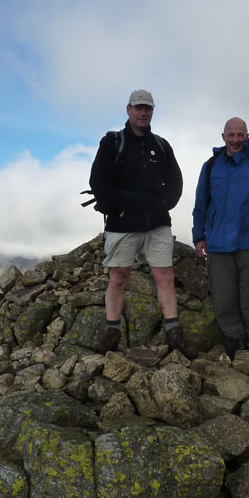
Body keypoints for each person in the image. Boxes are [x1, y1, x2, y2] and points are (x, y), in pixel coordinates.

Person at [89, 89, 195, 358]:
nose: (143, 113)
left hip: (156, 221)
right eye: (138, 108)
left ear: (152, 112)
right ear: (128, 109)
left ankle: (174, 334)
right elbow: (98, 181)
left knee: (165, 276)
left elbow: (175, 181)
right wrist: (117, 207)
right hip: (122, 222)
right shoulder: (113, 142)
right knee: (118, 276)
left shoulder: (161, 145)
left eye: (147, 108)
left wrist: (163, 205)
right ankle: (112, 332)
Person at [191, 117, 249, 366]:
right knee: (223, 298)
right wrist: (199, 237)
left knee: (248, 296)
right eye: (231, 135)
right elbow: (201, 205)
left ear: (247, 136)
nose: (236, 140)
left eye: (240, 135)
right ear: (223, 137)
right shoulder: (210, 167)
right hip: (218, 244)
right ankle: (235, 343)